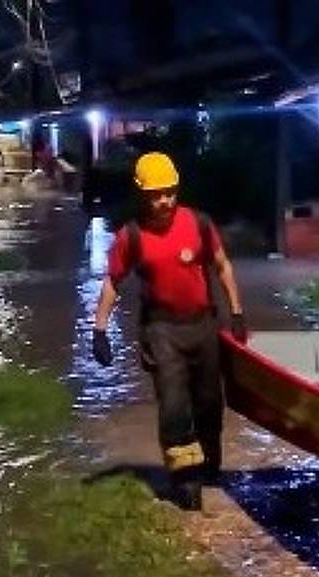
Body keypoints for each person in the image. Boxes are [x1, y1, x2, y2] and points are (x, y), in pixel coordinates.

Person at [92, 152, 248, 511]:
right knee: (175, 406)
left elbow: (222, 266)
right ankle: (184, 478)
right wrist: (99, 329)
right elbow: (113, 282)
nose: (163, 201)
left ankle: (209, 466)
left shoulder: (198, 224)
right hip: (161, 331)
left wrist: (236, 312)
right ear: (141, 194)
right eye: (155, 194)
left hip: (203, 325)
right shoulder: (131, 236)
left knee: (210, 402)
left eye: (169, 193)